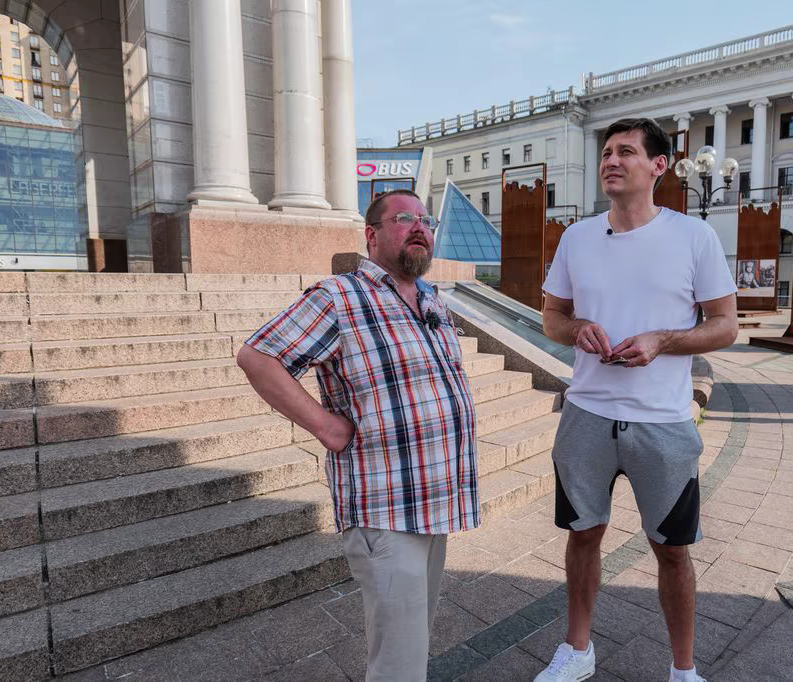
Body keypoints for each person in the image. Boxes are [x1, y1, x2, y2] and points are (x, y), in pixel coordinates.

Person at [236, 189, 478, 682]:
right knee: (398, 664)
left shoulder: (430, 298)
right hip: (384, 508)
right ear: (372, 235)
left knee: (413, 645)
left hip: (435, 503)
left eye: (426, 220)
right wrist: (324, 425)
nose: (420, 227)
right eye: (404, 218)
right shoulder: (339, 296)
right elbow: (258, 356)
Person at [536, 118, 739, 682]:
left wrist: (662, 341)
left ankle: (683, 670)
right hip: (586, 414)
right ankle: (578, 650)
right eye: (607, 152)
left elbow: (726, 325)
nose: (610, 160)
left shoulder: (693, 236)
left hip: (662, 422)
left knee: (672, 548)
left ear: (658, 166)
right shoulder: (577, 237)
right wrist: (577, 329)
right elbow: (552, 317)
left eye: (626, 151)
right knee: (582, 536)